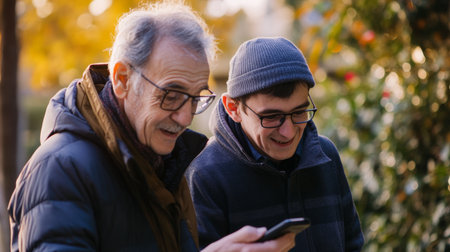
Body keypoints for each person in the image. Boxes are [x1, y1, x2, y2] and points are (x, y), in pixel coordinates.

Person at [7, 3, 295, 252]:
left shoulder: (165, 161)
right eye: (171, 95)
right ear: (121, 79)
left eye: (195, 99)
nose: (184, 118)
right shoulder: (59, 170)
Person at [187, 37, 365, 251]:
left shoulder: (326, 155)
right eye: (271, 117)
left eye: (299, 111)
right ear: (233, 108)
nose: (288, 132)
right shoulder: (204, 175)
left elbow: (353, 244)